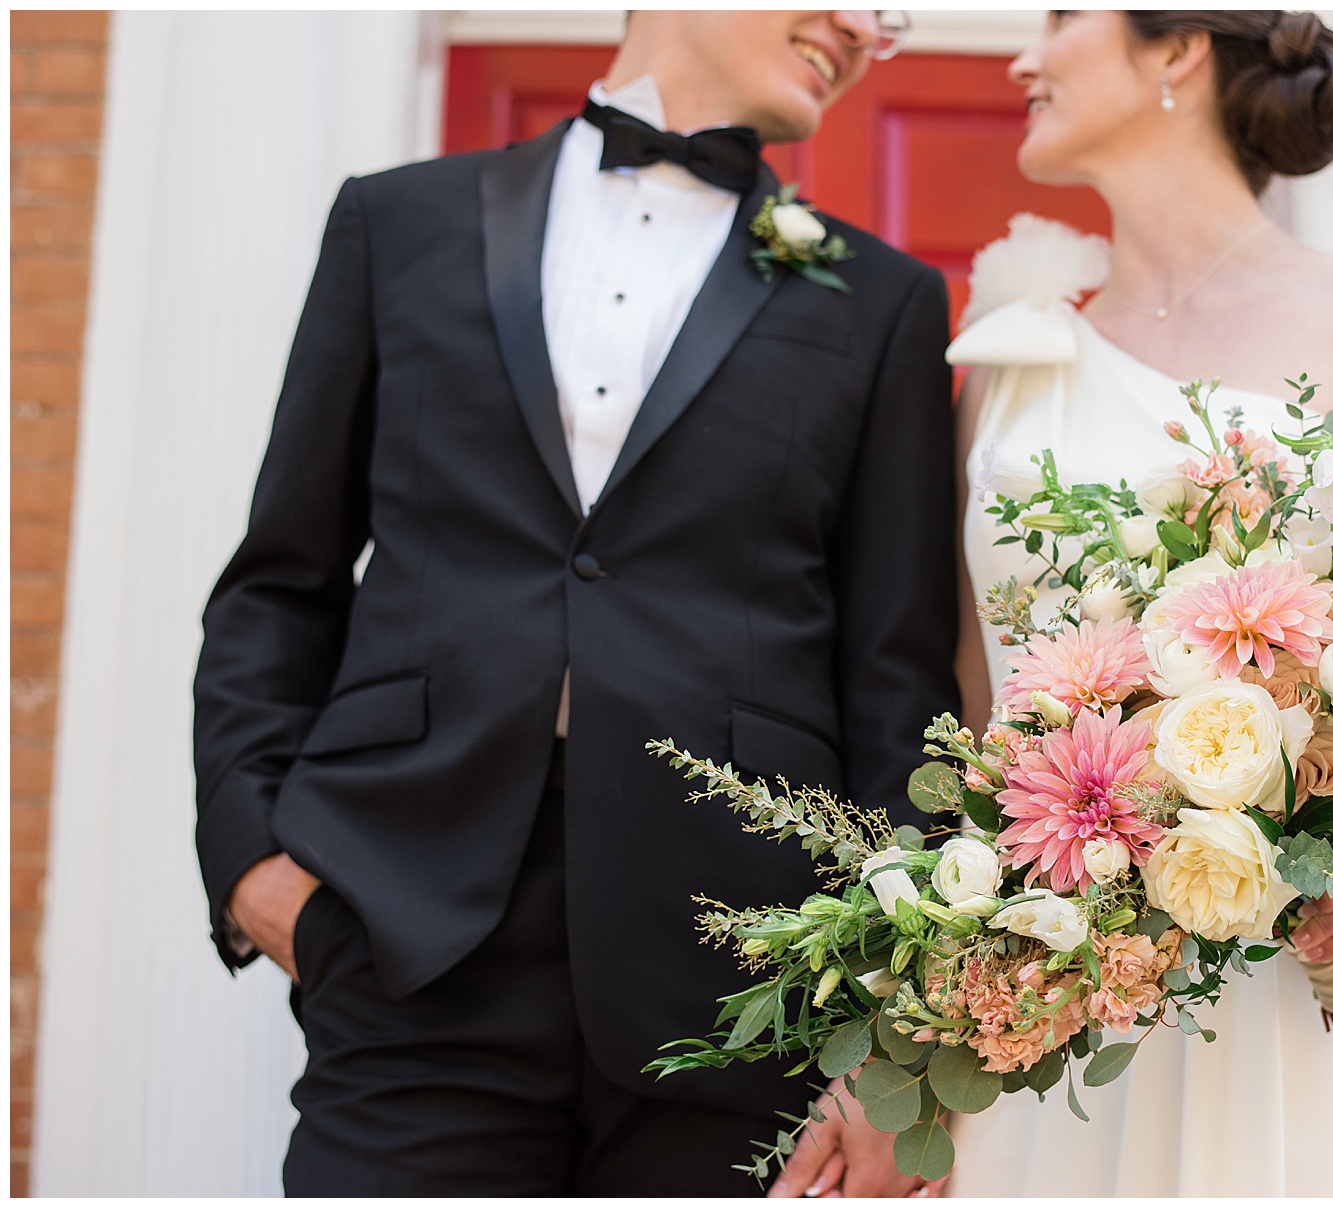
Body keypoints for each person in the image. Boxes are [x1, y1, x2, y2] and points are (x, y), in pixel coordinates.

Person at [192, 11, 959, 1196]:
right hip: (408, 928)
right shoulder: (394, 223)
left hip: (742, 964)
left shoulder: (883, 301)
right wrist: (248, 856)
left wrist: (895, 1026)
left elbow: (895, 677)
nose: (864, 27)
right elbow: (281, 578)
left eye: (888, 13)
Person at [940, 11, 1333, 1196]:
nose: (1022, 56)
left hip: (1279, 974)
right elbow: (977, 728)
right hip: (1045, 989)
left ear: (1176, 50)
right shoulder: (1009, 368)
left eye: (1064, 15)